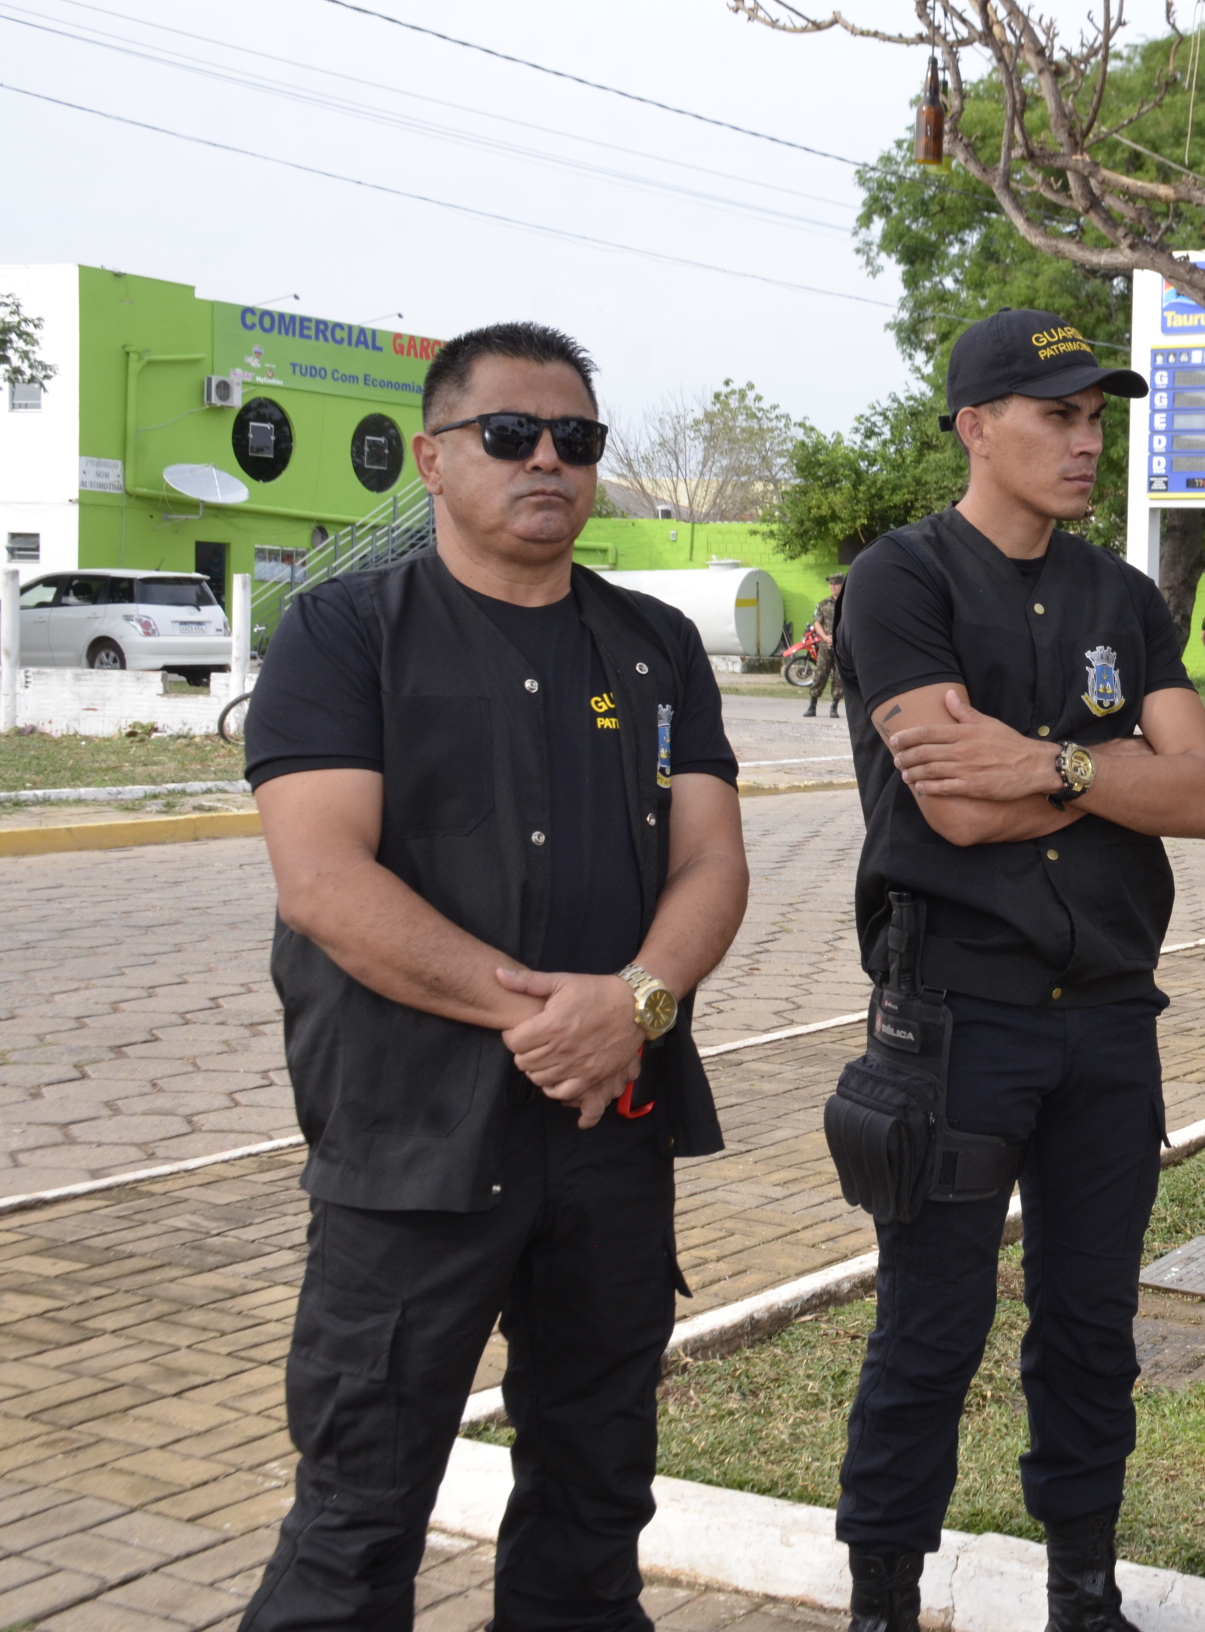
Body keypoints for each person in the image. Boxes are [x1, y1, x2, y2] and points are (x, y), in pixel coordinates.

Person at [235, 321, 750, 1630]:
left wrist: (630, 1005)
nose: (548, 461)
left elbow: (711, 865)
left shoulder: (652, 649)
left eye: (576, 440)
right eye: (510, 435)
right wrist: (551, 1016)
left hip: (605, 1137)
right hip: (411, 1144)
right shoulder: (344, 633)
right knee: (355, 1522)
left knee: (592, 1506)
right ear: (433, 458)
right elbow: (325, 884)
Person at [829, 308, 1205, 1632]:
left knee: (1089, 1328)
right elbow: (952, 807)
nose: (1084, 439)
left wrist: (1050, 764)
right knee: (931, 1331)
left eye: (1096, 417)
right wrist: (1119, 778)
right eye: (1057, 413)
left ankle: (1084, 1589)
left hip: (1110, 1022)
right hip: (959, 1024)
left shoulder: (1122, 596)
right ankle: (884, 1596)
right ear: (975, 427)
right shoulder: (904, 581)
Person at [806, 570, 847, 718]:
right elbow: (817, 622)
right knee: (820, 674)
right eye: (831, 584)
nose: (833, 587)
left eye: (836, 584)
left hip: (842, 646)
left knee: (839, 677)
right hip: (826, 645)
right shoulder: (824, 604)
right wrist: (824, 637)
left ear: (842, 585)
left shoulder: (848, 603)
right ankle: (812, 705)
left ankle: (834, 706)